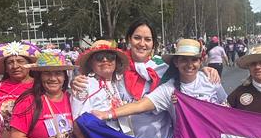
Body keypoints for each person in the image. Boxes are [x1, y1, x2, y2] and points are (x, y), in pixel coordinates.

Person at [94, 37, 227, 129]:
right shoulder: (169, 89)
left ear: (200, 61)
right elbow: (140, 105)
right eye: (184, 60)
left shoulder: (211, 79)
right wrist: (108, 114)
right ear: (176, 62)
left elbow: (227, 106)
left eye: (194, 60)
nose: (190, 65)